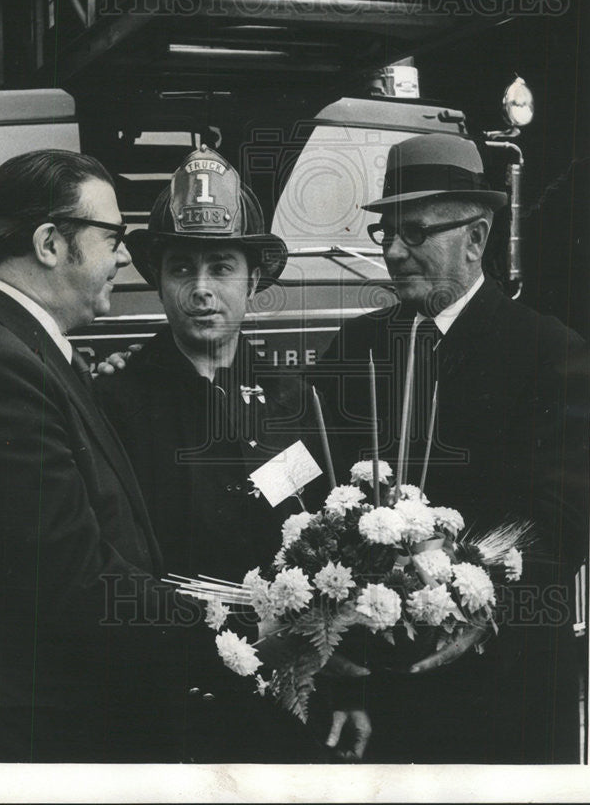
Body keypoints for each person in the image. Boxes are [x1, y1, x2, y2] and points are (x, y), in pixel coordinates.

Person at [314, 130, 590, 763]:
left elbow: (566, 522)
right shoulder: (356, 348)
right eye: (385, 233)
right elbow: (306, 476)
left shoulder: (550, 353)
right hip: (378, 693)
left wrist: (484, 611)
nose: (392, 251)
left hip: (500, 691)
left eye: (416, 233)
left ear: (477, 239)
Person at [95, 146, 371, 762]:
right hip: (163, 705)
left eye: (221, 268)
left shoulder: (294, 401)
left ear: (254, 281)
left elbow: (329, 551)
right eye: (181, 269)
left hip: (283, 700)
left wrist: (350, 683)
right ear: (158, 279)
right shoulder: (114, 402)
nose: (201, 291)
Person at [0, 149, 209, 762]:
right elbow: (73, 581)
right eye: (113, 236)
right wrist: (230, 627)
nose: (123, 256)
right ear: (49, 243)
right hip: (53, 727)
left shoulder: (18, 349)